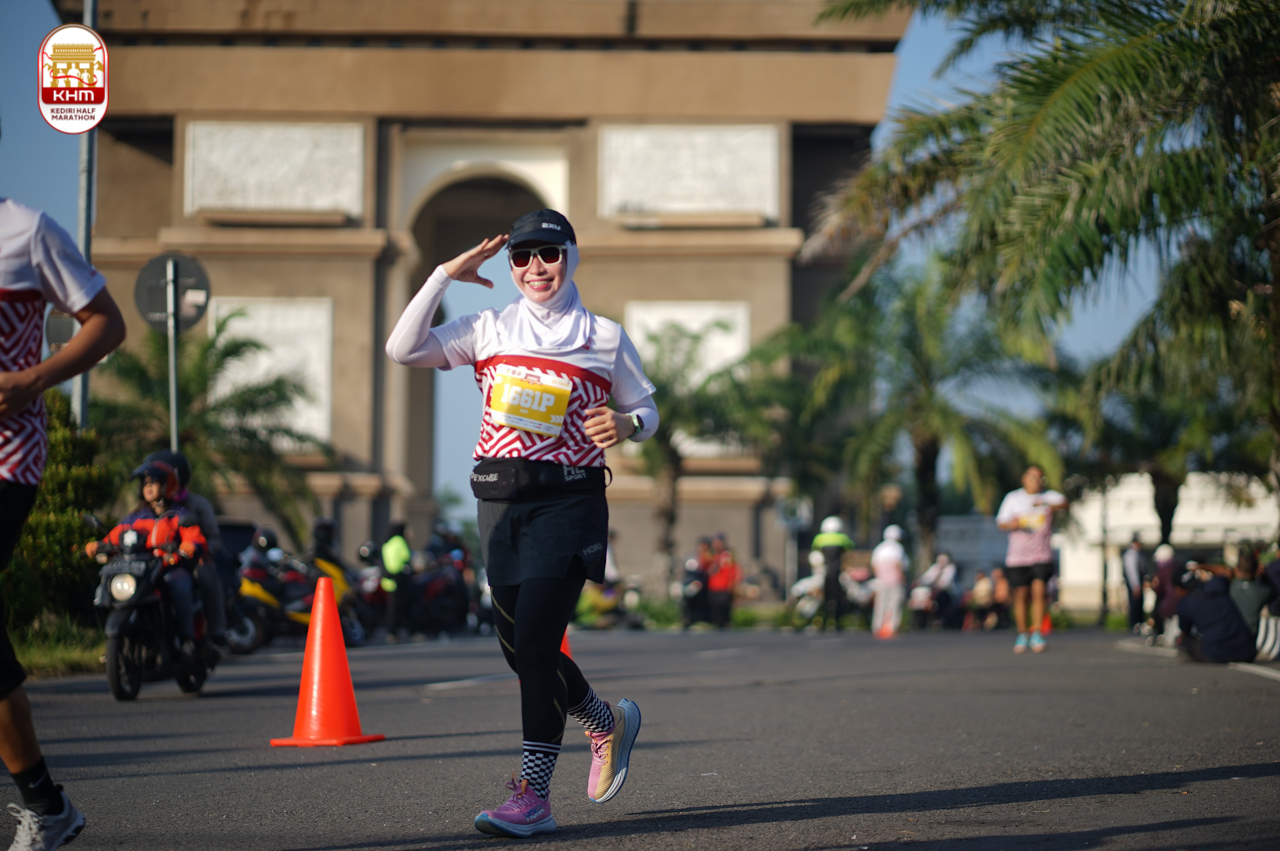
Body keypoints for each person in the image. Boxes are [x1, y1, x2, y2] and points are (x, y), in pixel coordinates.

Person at [385, 209, 657, 837]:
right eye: (522, 256)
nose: (537, 267)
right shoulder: (488, 327)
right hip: (500, 505)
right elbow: (402, 349)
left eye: (549, 254)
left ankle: (533, 796)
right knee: (519, 651)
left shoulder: (605, 337)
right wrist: (442, 275)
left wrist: (627, 424)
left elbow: (647, 408)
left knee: (536, 644)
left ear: (571, 257)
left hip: (570, 504)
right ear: (510, 265)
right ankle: (604, 721)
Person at [1, 186, 126, 849]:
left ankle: (46, 806)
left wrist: (32, 381)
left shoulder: (27, 232)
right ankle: (46, 804)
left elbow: (107, 321)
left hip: (6, 458)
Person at [87, 460, 207, 654]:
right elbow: (114, 537)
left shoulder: (179, 514)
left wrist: (189, 545)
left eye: (153, 482)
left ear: (168, 485)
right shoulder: (135, 517)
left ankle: (186, 639)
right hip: (140, 571)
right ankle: (114, 645)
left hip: (169, 569)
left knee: (179, 585)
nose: (148, 487)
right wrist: (98, 546)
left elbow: (195, 538)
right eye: (145, 483)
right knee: (103, 588)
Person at [144, 450, 228, 650]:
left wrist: (199, 551)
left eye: (158, 477)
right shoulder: (149, 507)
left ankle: (216, 630)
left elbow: (213, 537)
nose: (151, 484)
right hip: (158, 562)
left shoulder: (196, 504)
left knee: (206, 576)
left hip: (191, 560)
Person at [995, 465, 1069, 654]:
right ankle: (1022, 633)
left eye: (1039, 478)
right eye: (1032, 477)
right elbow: (1001, 522)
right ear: (1024, 479)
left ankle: (1036, 632)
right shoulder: (1013, 498)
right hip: (1018, 556)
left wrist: (1046, 505)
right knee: (1021, 594)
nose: (1036, 481)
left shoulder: (1048, 497)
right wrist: (1012, 524)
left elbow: (1064, 504)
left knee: (1039, 591)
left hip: (1042, 554)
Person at [1174, 568, 1255, 664]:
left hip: (1217, 654)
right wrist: (1201, 566)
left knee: (1183, 641)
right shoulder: (1217, 584)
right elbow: (1227, 572)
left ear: (1179, 589)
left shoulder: (1184, 604)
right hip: (1247, 651)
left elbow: (1185, 631)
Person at [811, 517, 855, 632]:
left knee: (821, 596)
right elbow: (850, 548)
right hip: (837, 572)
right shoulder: (843, 538)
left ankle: (822, 620)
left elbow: (815, 552)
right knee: (841, 595)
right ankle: (837, 620)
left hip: (823, 572)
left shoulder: (819, 538)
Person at [1226, 548, 1275, 637]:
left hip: (1228, 635)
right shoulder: (1261, 592)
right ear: (1257, 571)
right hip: (1250, 636)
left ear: (1236, 570)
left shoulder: (1227, 588)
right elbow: (1274, 591)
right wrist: (1264, 576)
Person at [870, 525, 907, 638]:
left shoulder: (879, 548)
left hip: (881, 578)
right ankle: (893, 626)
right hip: (894, 578)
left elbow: (874, 564)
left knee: (881, 602)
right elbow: (899, 563)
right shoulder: (897, 548)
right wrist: (901, 576)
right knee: (894, 602)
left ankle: (877, 625)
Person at [380, 522, 413, 640]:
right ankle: (399, 631)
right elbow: (406, 556)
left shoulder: (387, 543)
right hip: (399, 578)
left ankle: (392, 632)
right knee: (401, 607)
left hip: (387, 579)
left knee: (392, 607)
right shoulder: (400, 541)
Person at [915, 552, 958, 629]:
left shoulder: (950, 568)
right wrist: (919, 582)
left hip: (948, 593)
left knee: (941, 599)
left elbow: (946, 580)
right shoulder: (935, 567)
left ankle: (941, 619)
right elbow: (928, 577)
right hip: (935, 592)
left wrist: (940, 585)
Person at [706, 534, 741, 630]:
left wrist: (733, 585)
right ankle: (716, 624)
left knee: (724, 608)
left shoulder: (728, 555)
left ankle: (725, 625)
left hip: (724, 587)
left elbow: (733, 570)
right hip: (713, 587)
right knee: (714, 609)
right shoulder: (712, 556)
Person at [1150, 543, 1180, 644]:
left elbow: (1159, 589)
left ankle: (1168, 638)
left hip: (1169, 604)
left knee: (1168, 622)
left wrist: (1152, 586)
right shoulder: (1178, 567)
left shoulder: (1163, 571)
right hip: (1182, 602)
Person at [1121, 534, 1147, 633]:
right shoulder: (1131, 554)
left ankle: (1138, 623)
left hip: (1138, 582)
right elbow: (1132, 571)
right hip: (1134, 583)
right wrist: (1135, 585)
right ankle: (1134, 624)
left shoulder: (1137, 553)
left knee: (1139, 603)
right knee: (1135, 604)